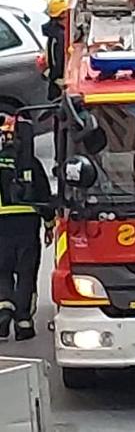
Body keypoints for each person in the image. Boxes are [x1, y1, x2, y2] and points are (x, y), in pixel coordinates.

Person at [0, 115, 53, 342]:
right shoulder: (30, 162)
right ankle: (23, 321)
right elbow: (43, 194)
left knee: (1, 271)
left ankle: (3, 309)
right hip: (27, 223)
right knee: (26, 272)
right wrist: (49, 224)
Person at [42, 0, 68, 101]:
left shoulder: (55, 34)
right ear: (62, 15)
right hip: (59, 87)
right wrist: (59, 81)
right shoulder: (60, 37)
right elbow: (57, 63)